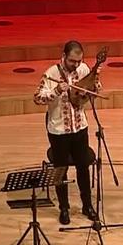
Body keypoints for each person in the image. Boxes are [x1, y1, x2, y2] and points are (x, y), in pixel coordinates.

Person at [34, 40, 100, 225]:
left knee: (83, 168)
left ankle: (87, 205)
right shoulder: (51, 74)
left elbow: (94, 91)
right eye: (72, 61)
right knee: (60, 170)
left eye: (79, 61)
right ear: (63, 56)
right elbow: (37, 98)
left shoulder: (84, 69)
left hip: (80, 127)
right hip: (58, 131)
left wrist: (94, 80)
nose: (76, 65)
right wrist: (56, 90)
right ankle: (64, 208)